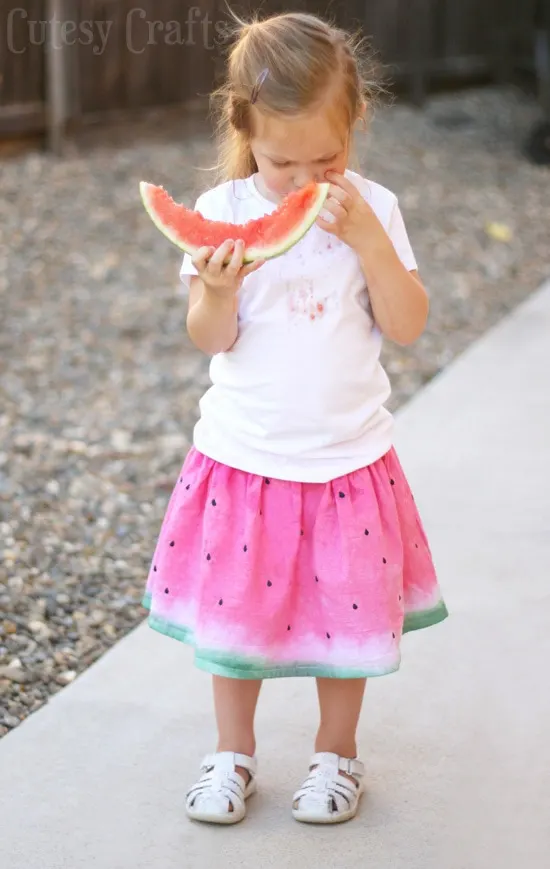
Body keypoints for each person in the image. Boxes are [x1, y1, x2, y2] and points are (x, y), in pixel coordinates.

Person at [143, 10, 448, 826]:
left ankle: (336, 755)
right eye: (284, 163)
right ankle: (231, 753)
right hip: (246, 458)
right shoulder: (222, 206)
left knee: (345, 623)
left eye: (329, 157)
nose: (308, 177)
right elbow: (211, 339)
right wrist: (217, 287)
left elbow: (409, 323)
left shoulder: (374, 206)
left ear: (354, 129)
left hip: (347, 463)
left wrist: (374, 245)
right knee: (235, 622)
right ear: (245, 128)